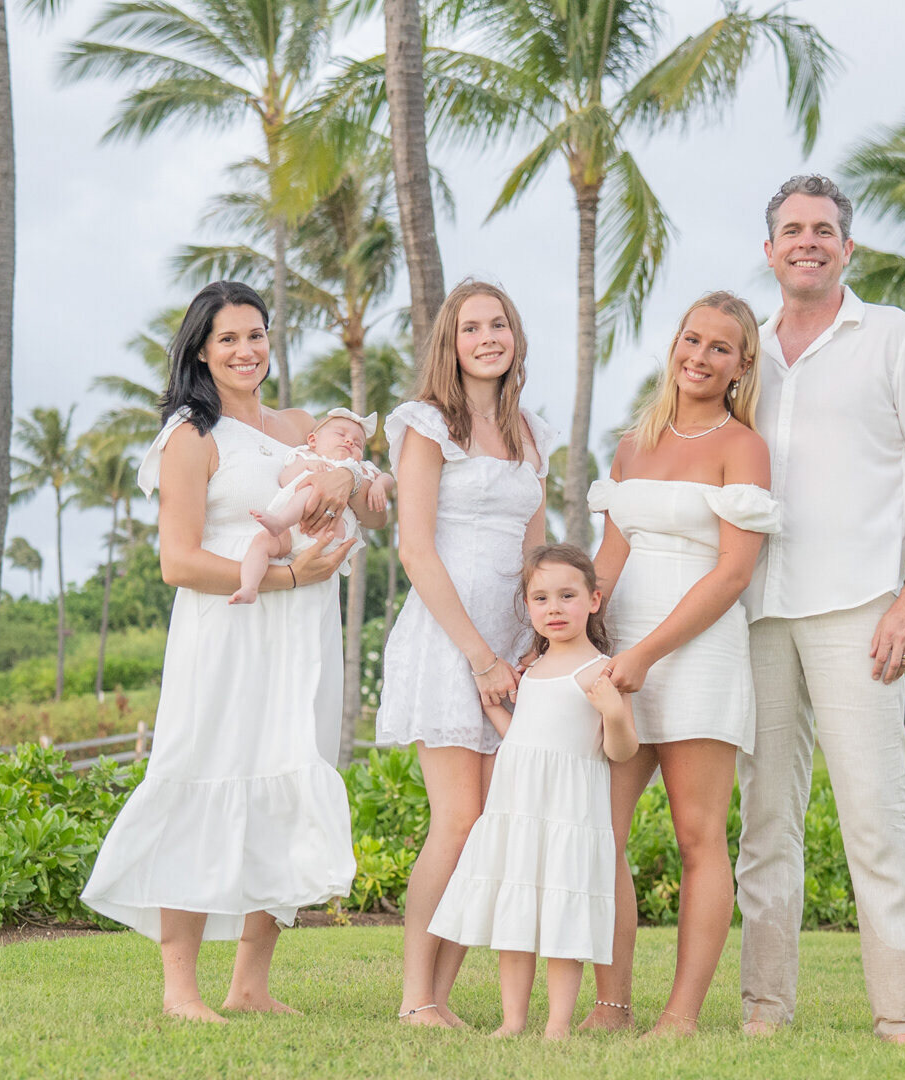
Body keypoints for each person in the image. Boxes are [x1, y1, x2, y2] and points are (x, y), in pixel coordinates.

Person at [80, 280, 386, 1022]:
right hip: (228, 631)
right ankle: (180, 989)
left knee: (284, 774)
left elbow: (375, 508)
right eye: (228, 340)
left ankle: (250, 984)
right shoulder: (192, 435)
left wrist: (349, 477)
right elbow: (178, 562)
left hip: (302, 636)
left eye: (256, 335)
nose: (246, 350)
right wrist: (283, 576)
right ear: (201, 351)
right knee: (200, 772)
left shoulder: (305, 425)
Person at [735, 175, 905, 1045]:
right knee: (764, 824)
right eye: (791, 229)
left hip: (862, 613)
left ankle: (903, 1017)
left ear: (848, 248)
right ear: (768, 251)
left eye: (824, 229)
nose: (808, 241)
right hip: (756, 612)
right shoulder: (743, 353)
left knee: (875, 818)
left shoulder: (899, 341)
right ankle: (764, 1010)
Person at [582, 291, 780, 1036]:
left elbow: (732, 575)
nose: (699, 357)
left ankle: (681, 1015)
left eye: (719, 348)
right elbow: (610, 555)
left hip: (697, 655)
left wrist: (646, 655)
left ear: (742, 364)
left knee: (700, 838)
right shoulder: (633, 444)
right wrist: (581, 640)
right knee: (599, 831)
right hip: (621, 656)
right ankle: (611, 1004)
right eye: (690, 340)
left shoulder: (744, 447)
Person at [375, 279, 554, 1027]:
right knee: (455, 819)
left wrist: (541, 650)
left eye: (500, 324)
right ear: (452, 343)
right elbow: (415, 548)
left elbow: (537, 548)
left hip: (515, 646)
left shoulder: (532, 429)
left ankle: (442, 997)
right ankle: (418, 997)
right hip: (452, 642)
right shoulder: (426, 425)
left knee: (487, 826)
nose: (488, 337)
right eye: (473, 327)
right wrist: (481, 656)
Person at [428, 544, 639, 1039]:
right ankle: (512, 1020)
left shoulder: (601, 671)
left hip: (567, 812)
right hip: (519, 808)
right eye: (541, 598)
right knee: (516, 917)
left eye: (567, 595)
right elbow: (522, 737)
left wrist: (611, 711)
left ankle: (558, 1024)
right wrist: (493, 709)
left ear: (593, 600)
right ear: (528, 607)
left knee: (562, 920)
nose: (554, 608)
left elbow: (622, 751)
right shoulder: (533, 668)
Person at [230, 408, 394, 604]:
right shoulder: (306, 457)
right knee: (261, 542)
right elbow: (285, 479)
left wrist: (379, 485)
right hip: (292, 534)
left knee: (314, 488)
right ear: (313, 441)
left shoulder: (360, 468)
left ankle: (280, 521)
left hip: (331, 533)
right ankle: (249, 586)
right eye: (341, 434)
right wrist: (307, 468)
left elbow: (387, 477)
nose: (349, 441)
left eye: (358, 443)